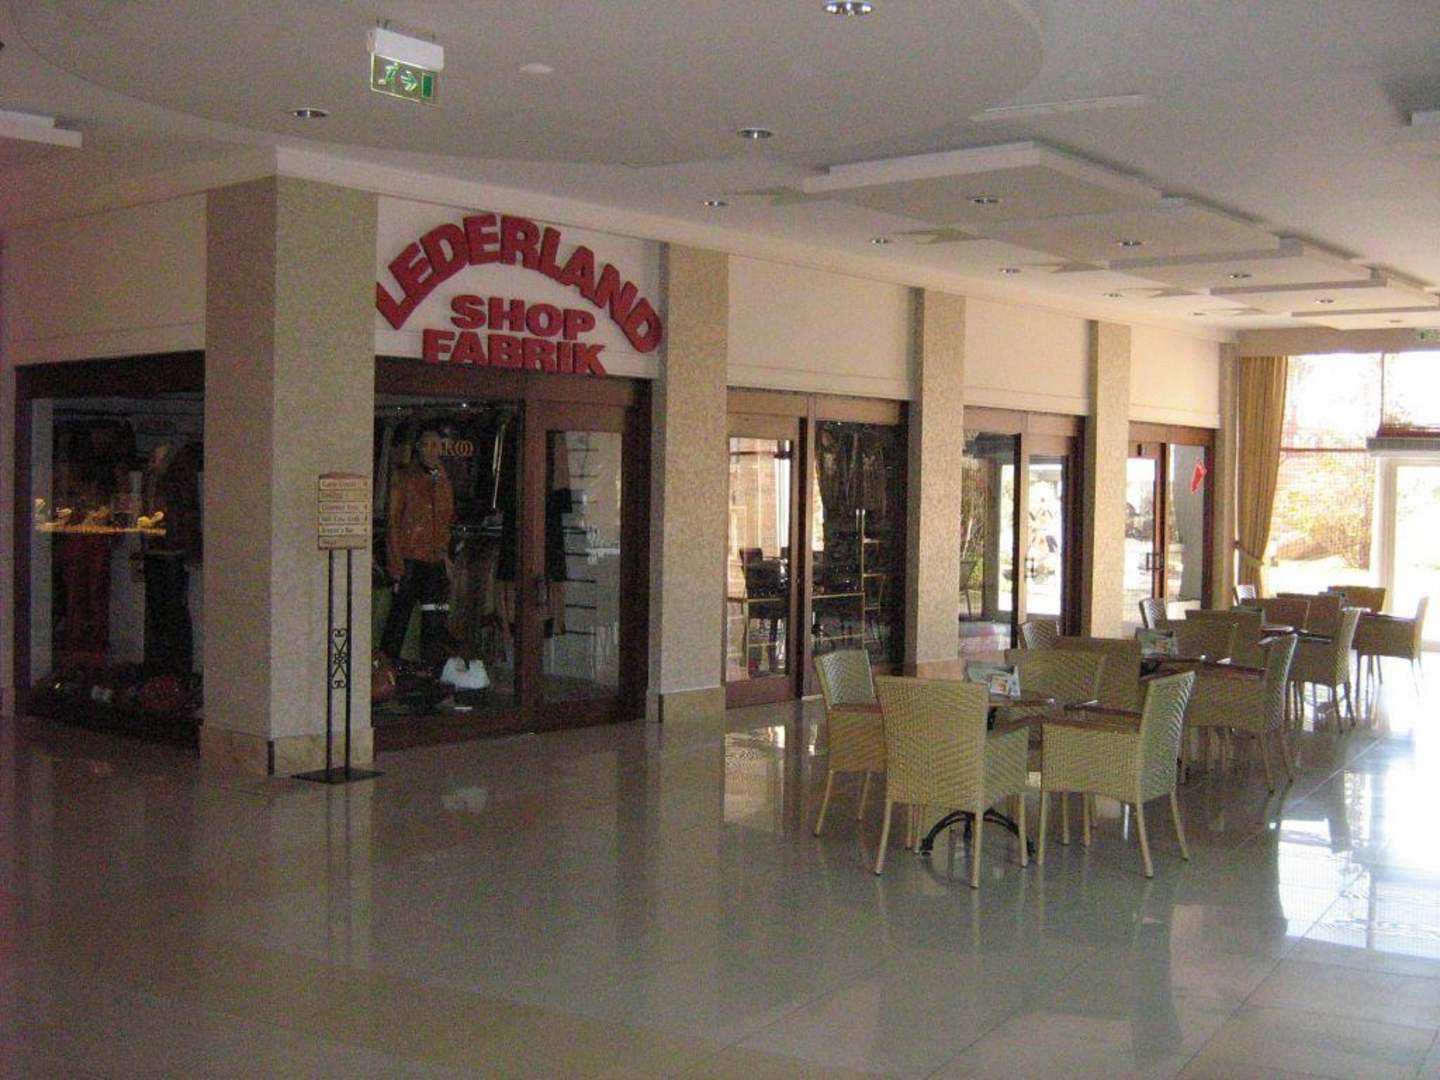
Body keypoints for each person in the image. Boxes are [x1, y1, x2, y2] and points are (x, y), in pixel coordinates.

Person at [380, 428, 454, 669]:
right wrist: (395, 559)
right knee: (400, 614)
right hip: (410, 555)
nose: (433, 450)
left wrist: (444, 554)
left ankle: (431, 666)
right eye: (428, 445)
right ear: (418, 448)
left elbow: (445, 521)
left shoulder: (442, 479)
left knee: (434, 615)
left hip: (433, 557)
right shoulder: (405, 478)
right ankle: (387, 666)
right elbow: (393, 521)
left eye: (437, 445)